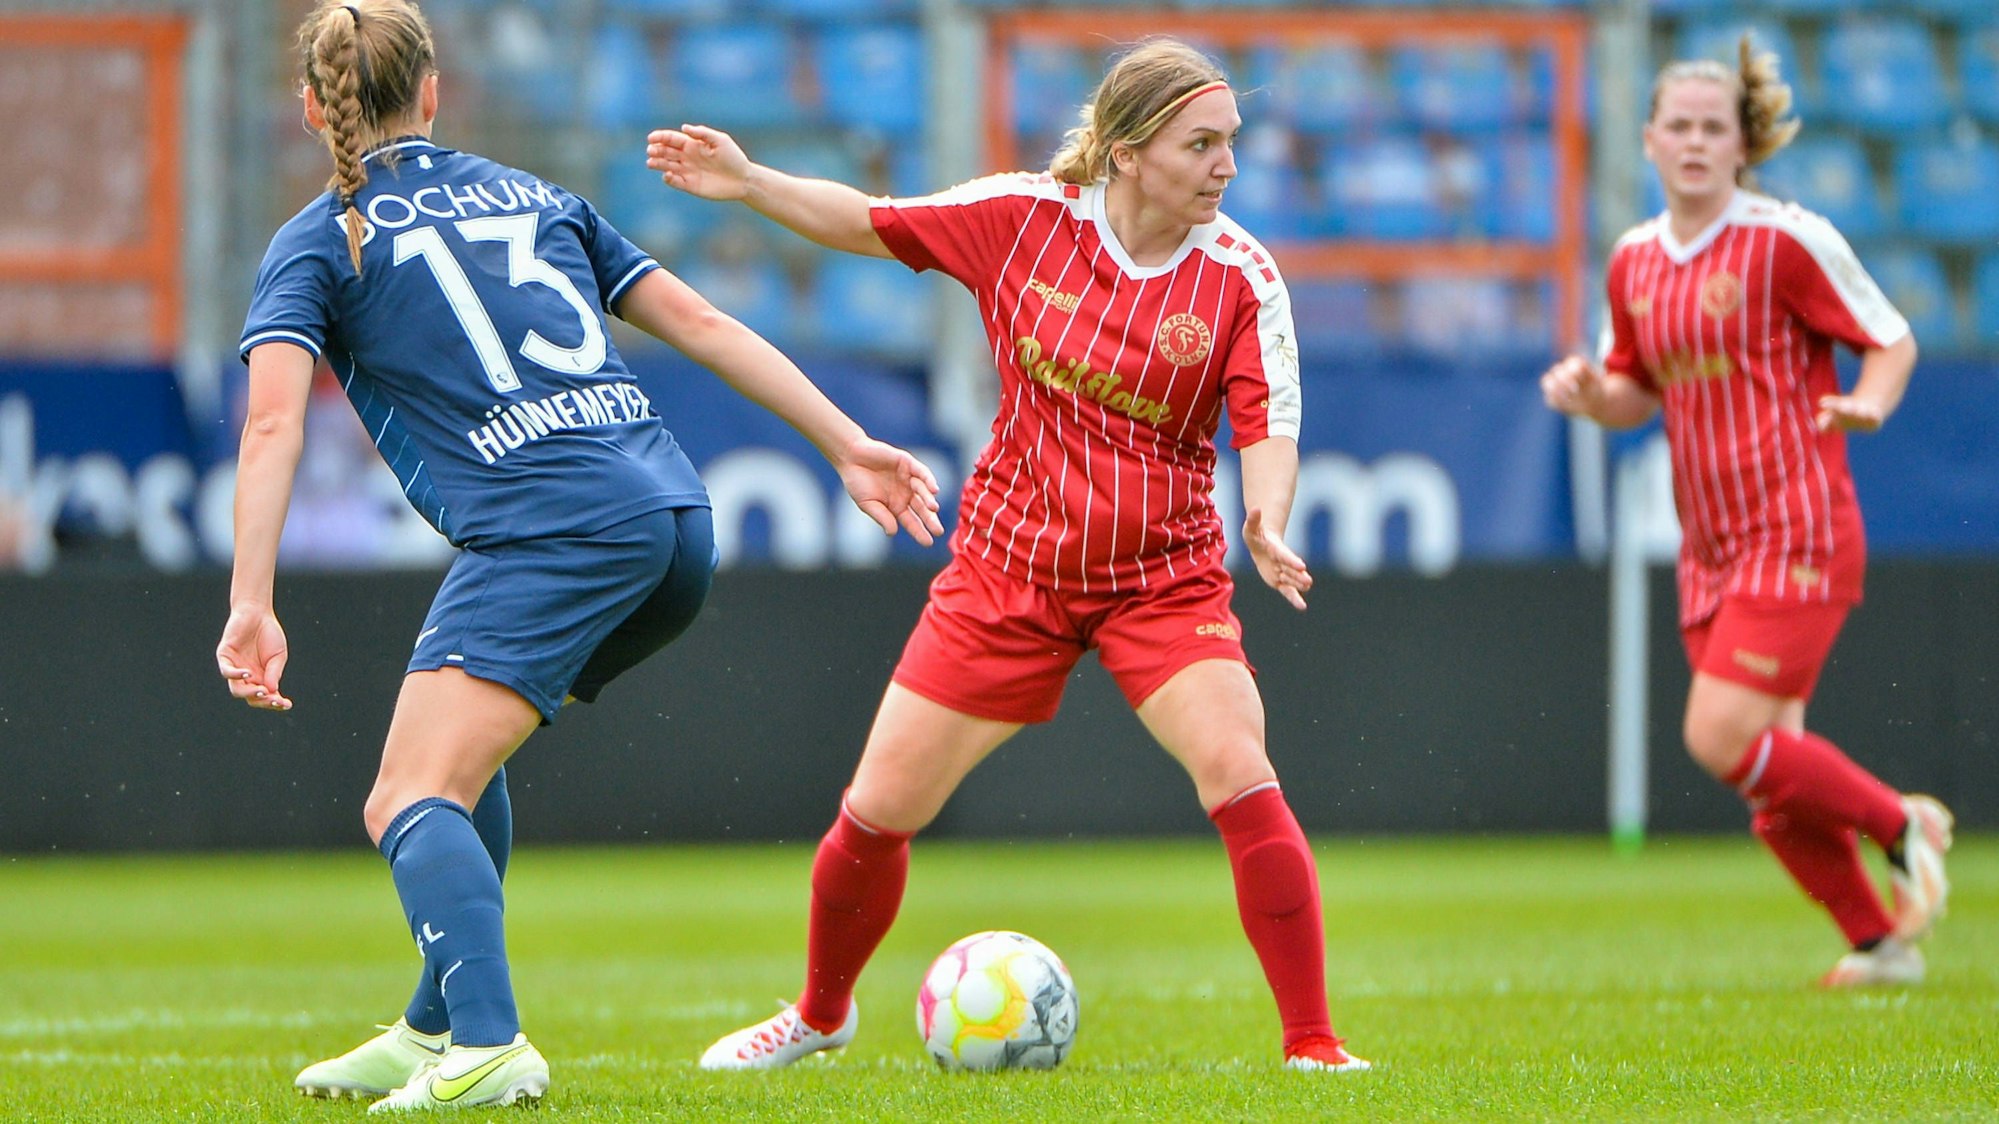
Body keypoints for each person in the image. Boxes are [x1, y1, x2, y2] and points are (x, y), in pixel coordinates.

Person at [218, 0, 941, 1111]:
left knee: (407, 795)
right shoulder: (537, 194)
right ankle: (432, 1024)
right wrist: (847, 441)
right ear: (435, 91)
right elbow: (696, 318)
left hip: (549, 528)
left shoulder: (315, 240)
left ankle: (492, 1042)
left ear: (314, 108)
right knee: (464, 760)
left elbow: (272, 426)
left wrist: (251, 600)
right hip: (669, 520)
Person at [648, 38, 1369, 1072]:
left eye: (1231, 144)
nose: (1227, 166)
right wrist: (750, 181)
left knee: (1237, 769)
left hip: (1161, 580)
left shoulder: (1241, 279)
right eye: (1201, 143)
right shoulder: (1023, 218)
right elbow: (868, 222)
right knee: (876, 808)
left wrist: (1265, 517)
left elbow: (1270, 427)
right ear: (1124, 150)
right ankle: (818, 1011)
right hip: (1007, 570)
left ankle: (1313, 1043)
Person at [1540, 37, 1952, 988]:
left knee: (1717, 737)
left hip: (1797, 522)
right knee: (1770, 776)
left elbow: (1890, 339)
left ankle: (1902, 824)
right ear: (1646, 141)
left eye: (1710, 128)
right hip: (1710, 544)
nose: (1691, 142)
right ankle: (1879, 945)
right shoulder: (1633, 259)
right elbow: (1633, 392)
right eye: (1675, 126)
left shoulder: (1785, 238)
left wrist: (1870, 404)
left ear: (1741, 144)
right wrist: (1587, 395)